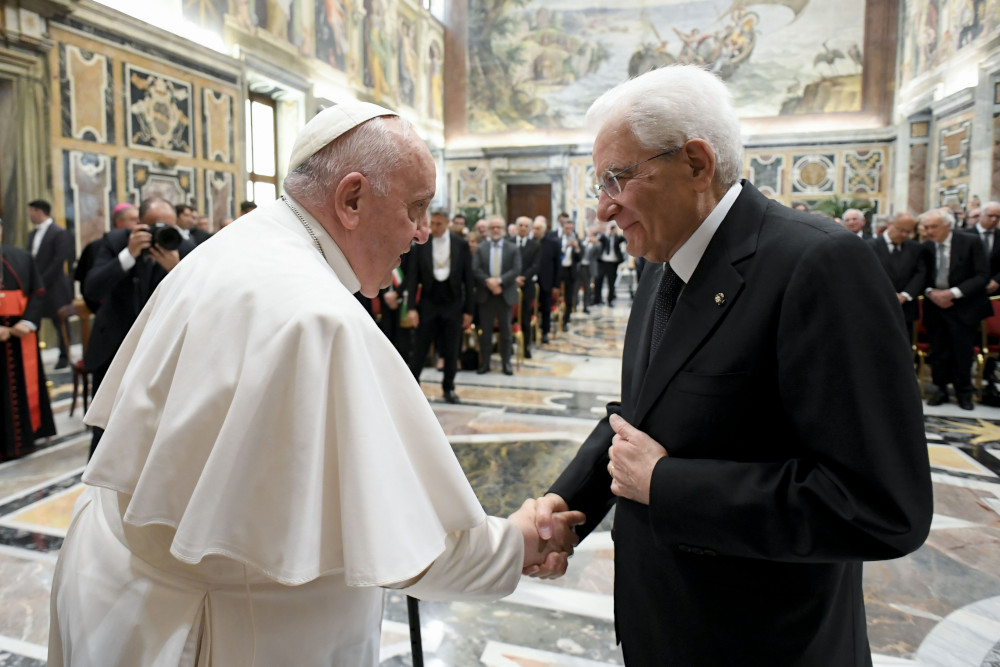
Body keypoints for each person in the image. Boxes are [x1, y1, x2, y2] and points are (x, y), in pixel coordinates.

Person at [49, 101, 582, 666]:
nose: (424, 233)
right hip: (225, 632)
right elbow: (412, 549)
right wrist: (520, 541)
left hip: (118, 591)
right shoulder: (317, 316)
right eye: (415, 209)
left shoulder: (236, 246)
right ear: (351, 199)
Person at [528, 64, 932, 665]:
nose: (604, 210)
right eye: (599, 185)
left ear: (695, 163)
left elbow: (880, 507)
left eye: (617, 179)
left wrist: (668, 485)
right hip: (661, 629)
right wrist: (567, 505)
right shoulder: (662, 262)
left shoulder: (818, 265)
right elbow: (642, 413)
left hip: (764, 644)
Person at [82, 197, 196, 458]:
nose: (162, 232)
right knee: (105, 423)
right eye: (154, 226)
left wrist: (176, 269)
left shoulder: (185, 246)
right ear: (139, 224)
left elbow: (203, 298)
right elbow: (92, 287)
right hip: (113, 346)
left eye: (169, 225)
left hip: (161, 348)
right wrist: (128, 255)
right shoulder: (115, 242)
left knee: (152, 424)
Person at [922, 207, 990, 410]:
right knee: (938, 351)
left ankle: (964, 393)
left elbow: (982, 275)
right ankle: (940, 388)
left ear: (947, 226)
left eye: (933, 226)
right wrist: (930, 292)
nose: (929, 231)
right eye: (926, 227)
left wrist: (953, 293)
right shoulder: (926, 246)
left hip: (964, 305)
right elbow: (920, 274)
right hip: (935, 306)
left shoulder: (970, 242)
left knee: (962, 351)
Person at [406, 209, 475, 403]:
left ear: (447, 223)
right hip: (428, 303)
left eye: (438, 224)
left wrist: (469, 310)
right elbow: (413, 278)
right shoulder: (421, 245)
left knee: (452, 349)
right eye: (432, 223)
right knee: (420, 348)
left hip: (453, 304)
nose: (434, 227)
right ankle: (412, 389)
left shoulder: (461, 245)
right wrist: (411, 307)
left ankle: (449, 388)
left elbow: (468, 280)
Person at [1, 224, 56, 461]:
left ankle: (25, 439)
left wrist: (28, 321)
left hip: (20, 334)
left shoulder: (21, 257)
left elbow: (38, 292)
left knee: (23, 388)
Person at [26, 199, 73, 368]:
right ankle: (32, 356)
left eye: (30, 211)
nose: (29, 215)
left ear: (39, 211)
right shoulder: (32, 234)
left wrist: (41, 281)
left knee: (59, 322)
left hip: (54, 286)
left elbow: (58, 260)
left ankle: (64, 355)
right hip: (37, 287)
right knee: (33, 320)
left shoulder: (58, 232)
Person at [473, 215, 521, 374]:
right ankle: (485, 363)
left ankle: (506, 363)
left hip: (504, 294)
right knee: (485, 332)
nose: (495, 230)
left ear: (503, 229)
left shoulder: (512, 248)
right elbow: (476, 269)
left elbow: (516, 269)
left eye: (498, 227)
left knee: (506, 332)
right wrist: (489, 282)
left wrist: (499, 282)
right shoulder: (481, 248)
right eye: (492, 227)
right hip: (486, 294)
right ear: (488, 229)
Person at [74, 203, 139, 314]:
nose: (138, 223)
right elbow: (87, 284)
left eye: (139, 219)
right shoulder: (97, 247)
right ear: (118, 222)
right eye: (133, 219)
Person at [870, 212, 926, 329]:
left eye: (909, 232)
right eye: (902, 230)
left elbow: (920, 273)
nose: (905, 235)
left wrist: (905, 295)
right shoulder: (869, 246)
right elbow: (868, 275)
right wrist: (888, 294)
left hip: (906, 308)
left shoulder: (915, 248)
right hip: (878, 306)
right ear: (890, 225)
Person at [513, 216, 540, 358]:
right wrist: (513, 278)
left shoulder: (535, 245)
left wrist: (523, 278)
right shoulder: (508, 242)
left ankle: (526, 348)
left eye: (525, 226)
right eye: (520, 225)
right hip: (510, 286)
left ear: (529, 229)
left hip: (526, 286)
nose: (523, 228)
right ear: (516, 227)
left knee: (525, 318)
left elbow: (535, 265)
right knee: (509, 317)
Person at [532, 217, 560, 343]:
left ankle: (545, 332)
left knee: (545, 308)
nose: (535, 231)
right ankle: (531, 332)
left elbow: (557, 266)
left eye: (538, 229)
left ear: (543, 230)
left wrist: (556, 284)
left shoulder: (553, 243)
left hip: (547, 280)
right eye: (534, 228)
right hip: (531, 281)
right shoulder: (530, 242)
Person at [596, 222, 626, 306]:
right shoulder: (604, 237)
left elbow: (625, 240)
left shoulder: (617, 237)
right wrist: (607, 232)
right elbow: (599, 239)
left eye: (613, 228)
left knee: (611, 283)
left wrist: (616, 233)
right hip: (603, 262)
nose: (611, 230)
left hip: (613, 263)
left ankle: (610, 300)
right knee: (599, 280)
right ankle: (597, 299)